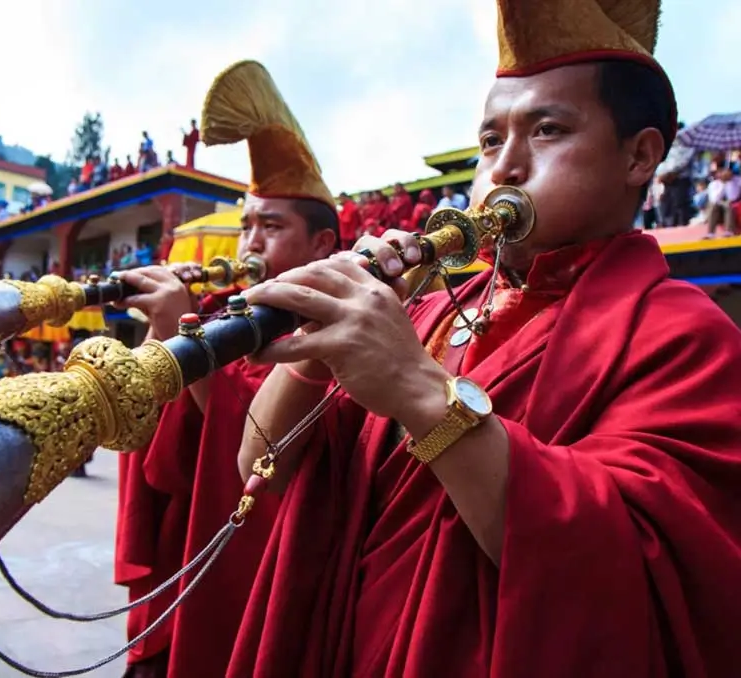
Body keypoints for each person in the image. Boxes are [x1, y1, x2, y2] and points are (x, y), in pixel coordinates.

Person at [230, 0, 741, 675]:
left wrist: (419, 390)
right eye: (489, 141)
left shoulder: (685, 336)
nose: (504, 168)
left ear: (640, 156)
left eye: (548, 130)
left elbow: (629, 568)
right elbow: (258, 469)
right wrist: (315, 349)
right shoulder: (431, 311)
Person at [112, 60, 339, 678]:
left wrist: (181, 340)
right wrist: (164, 335)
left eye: (271, 226)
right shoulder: (220, 313)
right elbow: (161, 461)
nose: (250, 245)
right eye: (246, 227)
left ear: (322, 246)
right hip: (184, 545)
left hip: (256, 566)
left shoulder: (340, 326)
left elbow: (263, 448)